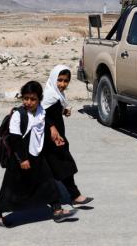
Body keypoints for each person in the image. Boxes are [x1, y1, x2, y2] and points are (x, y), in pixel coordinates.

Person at [0, 81, 77, 227]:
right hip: (19, 158)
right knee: (11, 188)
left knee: (48, 181)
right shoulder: (19, 115)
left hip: (36, 155)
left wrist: (53, 130)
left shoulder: (40, 110)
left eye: (33, 99)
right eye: (26, 98)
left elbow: (44, 120)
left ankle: (57, 210)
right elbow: (15, 139)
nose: (28, 102)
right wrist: (22, 159)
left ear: (39, 99)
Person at [41, 65, 93, 206]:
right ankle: (74, 196)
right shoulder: (48, 95)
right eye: (59, 80)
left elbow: (54, 110)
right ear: (53, 79)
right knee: (64, 165)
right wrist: (52, 128)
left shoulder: (56, 94)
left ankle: (66, 198)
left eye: (66, 81)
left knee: (56, 168)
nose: (62, 84)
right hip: (51, 139)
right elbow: (41, 115)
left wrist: (63, 111)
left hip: (57, 137)